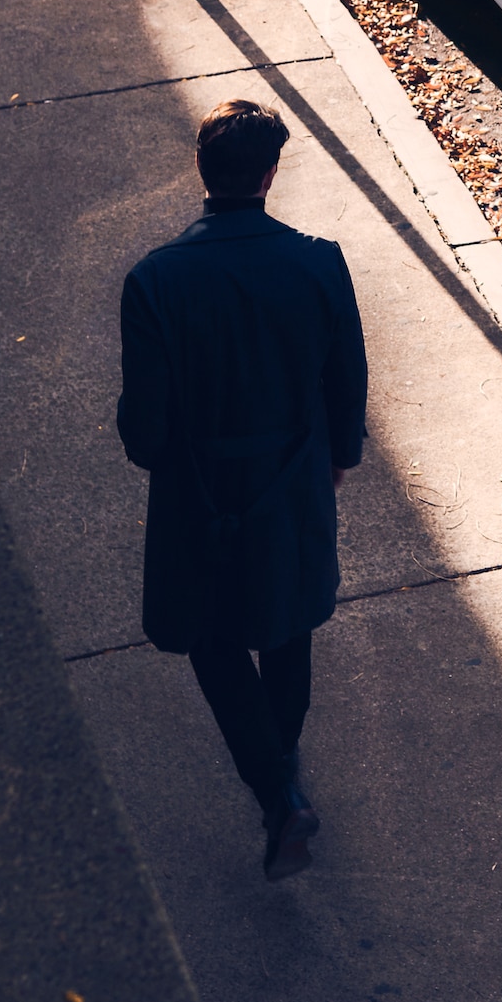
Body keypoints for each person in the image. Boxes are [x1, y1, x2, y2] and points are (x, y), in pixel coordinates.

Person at [115, 98, 368, 880]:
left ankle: (276, 786)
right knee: (287, 627)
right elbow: (346, 381)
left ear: (203, 170)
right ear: (269, 174)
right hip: (290, 484)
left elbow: (144, 431)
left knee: (212, 635)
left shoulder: (155, 280)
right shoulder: (319, 262)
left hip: (201, 492)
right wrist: (337, 458)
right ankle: (281, 762)